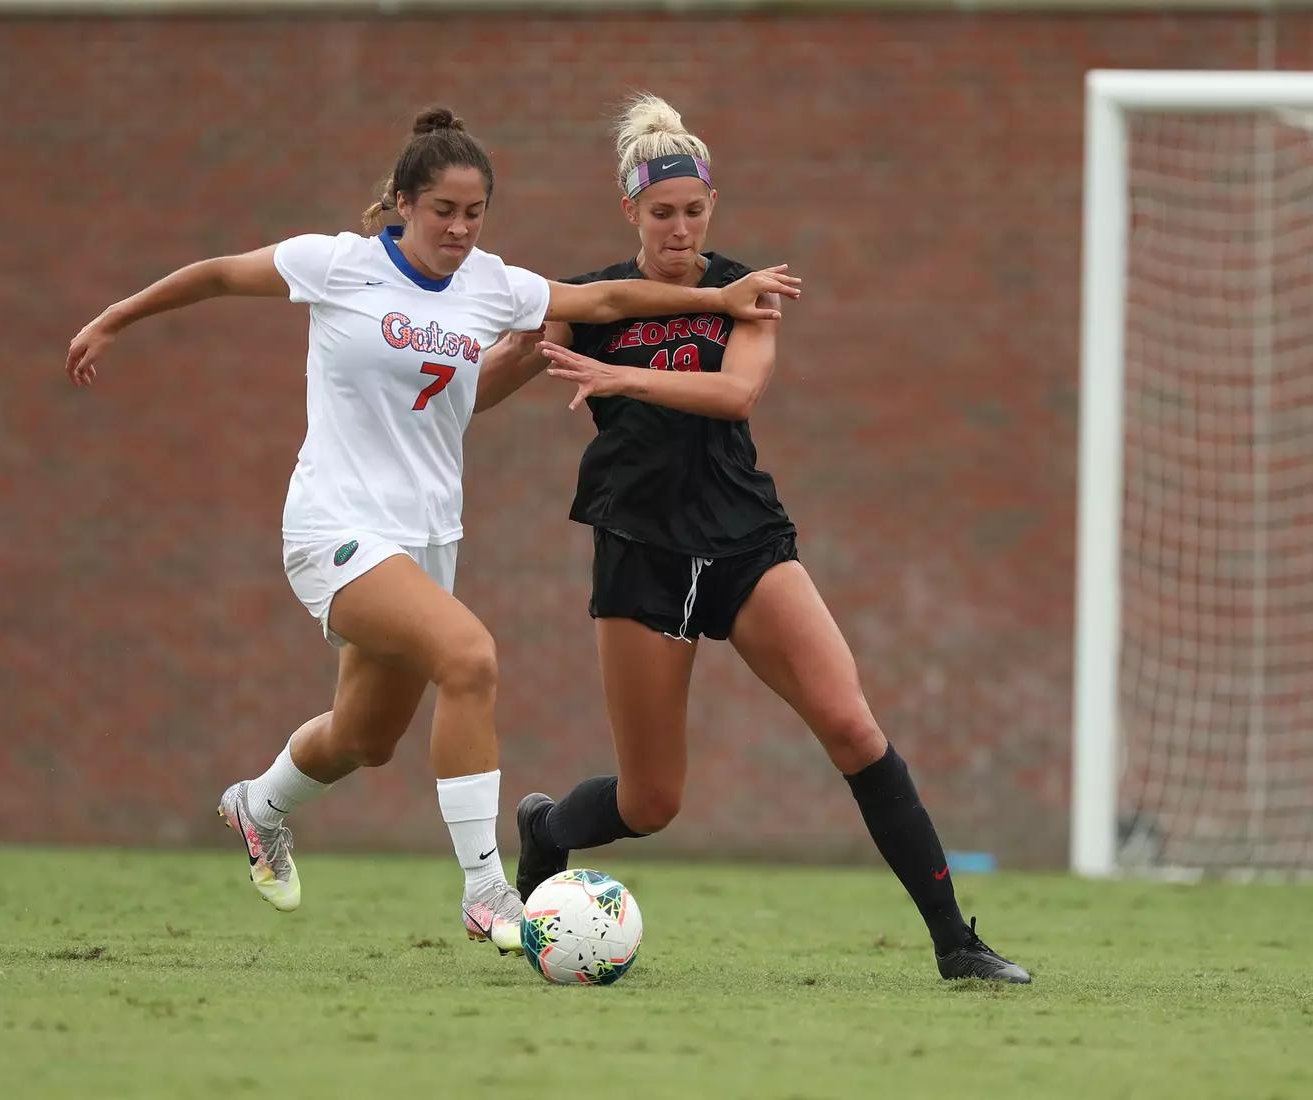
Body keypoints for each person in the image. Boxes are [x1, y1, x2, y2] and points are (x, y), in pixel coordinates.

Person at [64, 106, 802, 956]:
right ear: (403, 205)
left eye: (475, 211)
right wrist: (114, 317)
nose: (458, 227)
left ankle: (256, 807)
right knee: (469, 656)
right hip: (333, 524)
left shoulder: (491, 283)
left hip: (425, 539)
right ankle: (488, 892)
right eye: (443, 210)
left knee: (364, 738)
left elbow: (600, 297)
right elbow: (221, 275)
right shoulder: (335, 264)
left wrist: (716, 295)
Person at [476, 95, 1030, 983]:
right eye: (662, 213)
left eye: (694, 210)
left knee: (852, 726)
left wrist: (619, 373)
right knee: (652, 801)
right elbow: (488, 381)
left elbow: (735, 396)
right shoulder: (593, 298)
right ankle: (547, 829)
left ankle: (955, 945)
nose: (681, 228)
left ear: (712, 205)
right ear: (631, 213)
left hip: (743, 543)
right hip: (641, 552)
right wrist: (483, 357)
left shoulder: (745, 292)